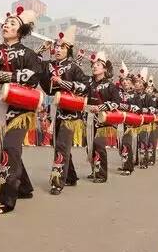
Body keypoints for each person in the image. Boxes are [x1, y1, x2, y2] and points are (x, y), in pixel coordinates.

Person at [0, 7, 40, 214]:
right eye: (5, 23)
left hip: (21, 109)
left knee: (11, 148)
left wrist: (5, 76)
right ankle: (23, 186)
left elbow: (33, 77)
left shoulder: (28, 54)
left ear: (21, 30)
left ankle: (6, 198)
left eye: (12, 23)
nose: (6, 25)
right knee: (5, 149)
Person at [40, 25, 88, 195]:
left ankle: (57, 181)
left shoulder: (73, 68)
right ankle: (71, 177)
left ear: (69, 50)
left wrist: (63, 83)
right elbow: (34, 66)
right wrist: (40, 49)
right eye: (57, 46)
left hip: (70, 113)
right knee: (60, 146)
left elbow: (85, 86)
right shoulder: (49, 66)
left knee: (61, 145)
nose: (58, 49)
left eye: (62, 47)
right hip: (56, 112)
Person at [84, 51, 120, 183]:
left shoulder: (111, 86)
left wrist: (101, 108)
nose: (94, 66)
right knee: (90, 146)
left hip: (103, 121)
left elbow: (116, 103)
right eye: (93, 64)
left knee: (99, 145)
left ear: (105, 68)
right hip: (88, 120)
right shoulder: (88, 83)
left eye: (98, 64)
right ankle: (94, 169)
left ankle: (101, 174)